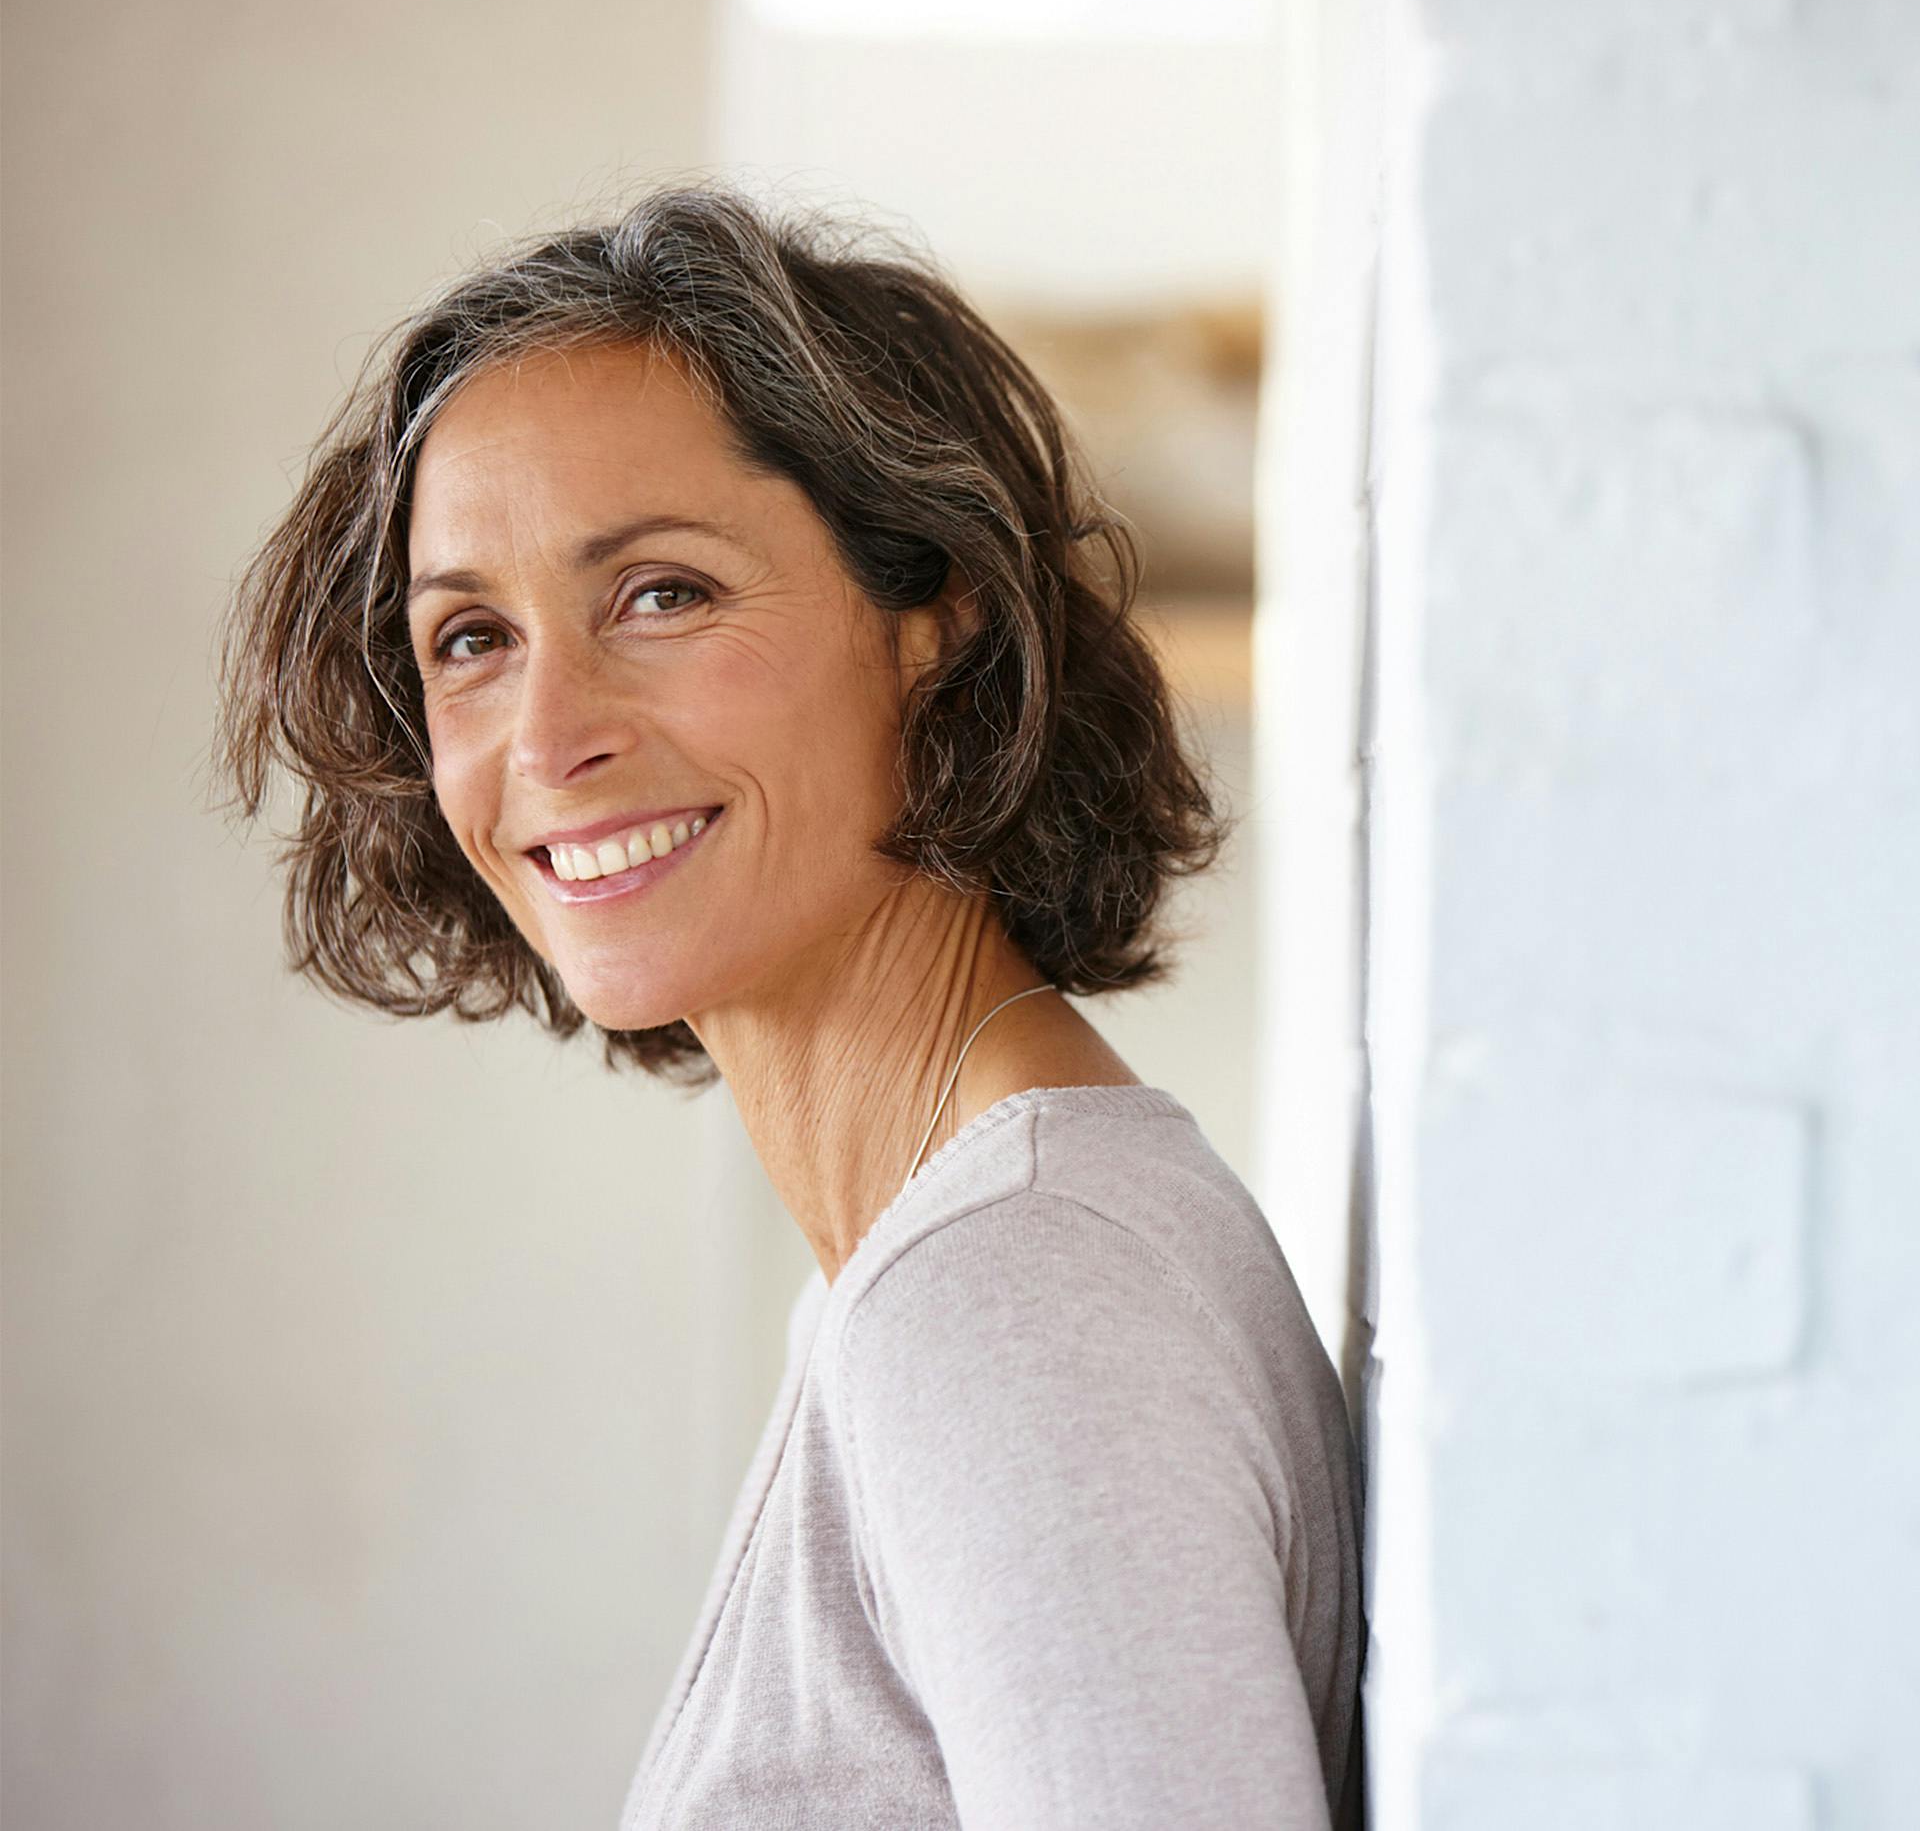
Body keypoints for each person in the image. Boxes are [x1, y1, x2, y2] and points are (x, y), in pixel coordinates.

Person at [211, 182, 1364, 1830]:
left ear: (936, 615)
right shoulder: (955, 1259)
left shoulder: (1007, 1300)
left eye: (661, 594)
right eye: (470, 635)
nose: (546, 735)